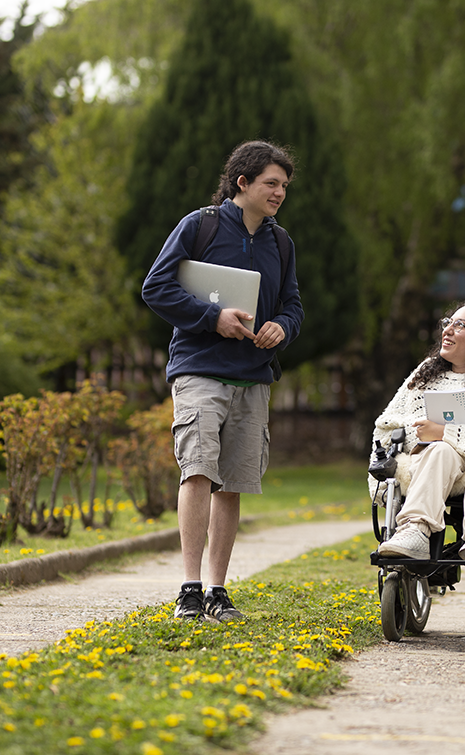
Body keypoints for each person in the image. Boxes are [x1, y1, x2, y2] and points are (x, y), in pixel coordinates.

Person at [142, 140, 303, 621]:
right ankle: (189, 589)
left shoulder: (281, 243)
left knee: (231, 484)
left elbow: (293, 306)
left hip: (253, 378)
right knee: (197, 471)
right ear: (243, 182)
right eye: (271, 183)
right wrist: (213, 318)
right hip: (199, 371)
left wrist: (282, 328)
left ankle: (217, 590)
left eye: (285, 186)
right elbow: (157, 287)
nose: (279, 193)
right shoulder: (200, 226)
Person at [374, 299, 465, 562]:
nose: (448, 330)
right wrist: (425, 433)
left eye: (460, 325)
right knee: (440, 450)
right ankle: (415, 529)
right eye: (448, 323)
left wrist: (446, 432)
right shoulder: (425, 375)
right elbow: (389, 423)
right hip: (437, 458)